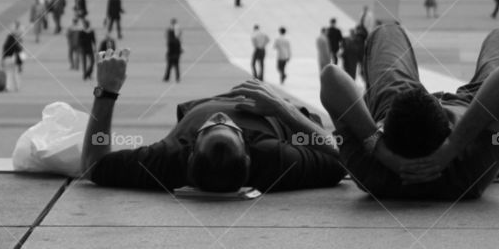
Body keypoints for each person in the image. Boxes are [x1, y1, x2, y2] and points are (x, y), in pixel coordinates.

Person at [320, 23, 499, 200]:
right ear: (448, 129)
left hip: (403, 109)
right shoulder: (471, 166)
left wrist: (378, 148)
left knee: (386, 31)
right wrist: (453, 146)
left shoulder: (372, 167)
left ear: (384, 131)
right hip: (470, 108)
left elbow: (330, 77)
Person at [81, 52, 345, 193]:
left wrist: (106, 91)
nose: (223, 116)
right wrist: (283, 109)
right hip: (281, 118)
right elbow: (341, 158)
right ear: (249, 150)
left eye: (210, 126)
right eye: (233, 127)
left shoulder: (170, 160)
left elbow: (93, 164)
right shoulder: (274, 158)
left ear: (191, 147)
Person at [1, 21, 24, 92]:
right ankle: (17, 87)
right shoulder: (16, 43)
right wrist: (20, 64)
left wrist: (2, 59)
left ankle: (8, 87)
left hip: (7, 58)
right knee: (15, 73)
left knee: (8, 74)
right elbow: (19, 52)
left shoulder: (7, 43)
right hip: (13, 59)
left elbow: (4, 50)